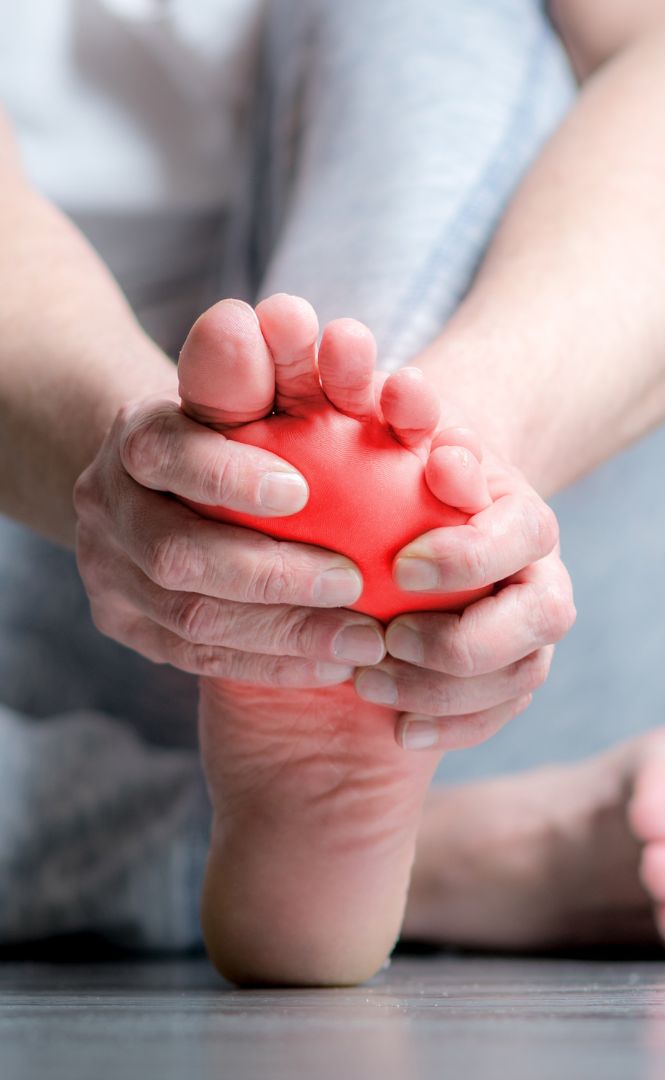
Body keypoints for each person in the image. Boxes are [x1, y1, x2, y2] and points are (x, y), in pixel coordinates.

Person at [1, 0, 664, 982]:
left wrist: (461, 452)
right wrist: (133, 459)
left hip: (499, 623)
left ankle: (387, 507)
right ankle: (463, 851)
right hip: (57, 602)